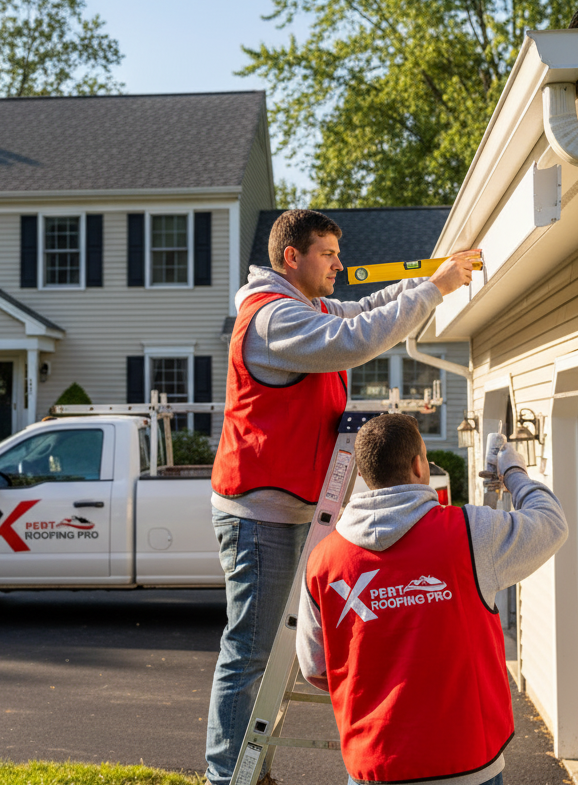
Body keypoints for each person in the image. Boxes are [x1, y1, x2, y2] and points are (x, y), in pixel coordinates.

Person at [205, 208, 481, 785]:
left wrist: (431, 277)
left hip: (294, 505)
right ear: (292, 258)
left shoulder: (306, 307)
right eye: (327, 254)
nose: (338, 264)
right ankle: (227, 777)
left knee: (274, 653)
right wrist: (435, 289)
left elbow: (366, 310)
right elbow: (353, 340)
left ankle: (251, 771)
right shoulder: (276, 318)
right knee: (251, 651)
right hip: (261, 510)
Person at [298, 414, 568, 785]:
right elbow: (550, 523)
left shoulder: (323, 560)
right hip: (467, 763)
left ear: (362, 474)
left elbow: (314, 666)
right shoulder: (471, 532)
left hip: (375, 766)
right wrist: (514, 473)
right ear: (418, 465)